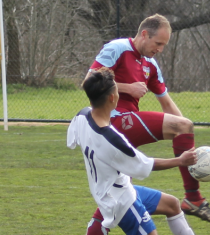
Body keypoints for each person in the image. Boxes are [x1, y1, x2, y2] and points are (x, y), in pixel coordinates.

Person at [85, 14, 210, 234]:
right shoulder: (118, 48)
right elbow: (89, 79)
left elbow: (167, 104)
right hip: (113, 122)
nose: (160, 48)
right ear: (144, 34)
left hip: (124, 135)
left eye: (164, 45)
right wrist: (128, 88)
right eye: (158, 43)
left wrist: (187, 134)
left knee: (118, 195)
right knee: (119, 195)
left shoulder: (150, 65)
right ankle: (194, 198)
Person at [67, 67, 197, 235]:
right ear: (113, 97)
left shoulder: (82, 116)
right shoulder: (112, 140)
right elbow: (145, 165)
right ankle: (97, 226)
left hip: (112, 189)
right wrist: (181, 160)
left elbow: (72, 140)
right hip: (122, 200)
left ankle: (96, 228)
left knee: (172, 204)